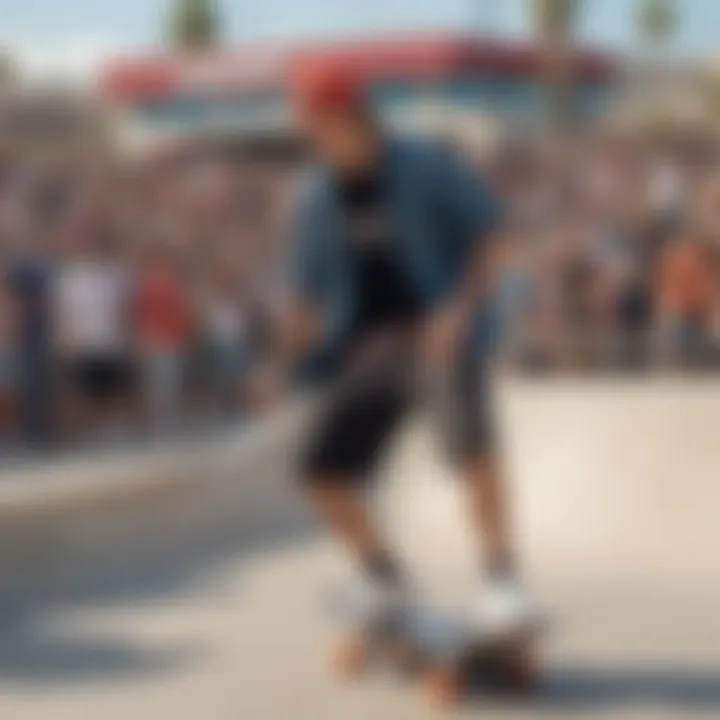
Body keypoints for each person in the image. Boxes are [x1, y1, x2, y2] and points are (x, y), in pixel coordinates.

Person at [279, 61, 535, 662]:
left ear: (356, 118)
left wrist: (460, 311)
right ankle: (384, 578)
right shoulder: (315, 193)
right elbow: (305, 289)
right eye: (311, 133)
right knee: (319, 469)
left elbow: (492, 236)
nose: (320, 143)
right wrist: (288, 350)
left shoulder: (426, 163)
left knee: (472, 447)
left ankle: (502, 581)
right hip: (365, 347)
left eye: (327, 128)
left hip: (437, 336)